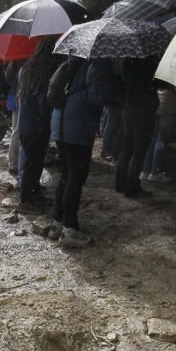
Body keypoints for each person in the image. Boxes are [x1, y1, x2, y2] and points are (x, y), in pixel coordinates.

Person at [48, 56, 118, 246]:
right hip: (78, 125)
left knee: (65, 174)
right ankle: (70, 228)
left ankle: (57, 223)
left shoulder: (72, 61)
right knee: (75, 177)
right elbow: (99, 97)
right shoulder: (99, 64)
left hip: (60, 122)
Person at [15, 39, 60, 211]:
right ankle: (27, 198)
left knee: (31, 163)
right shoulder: (45, 73)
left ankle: (33, 194)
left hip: (25, 124)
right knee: (34, 163)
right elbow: (43, 102)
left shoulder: (26, 69)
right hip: (37, 126)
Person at [114, 57, 159, 198]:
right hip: (143, 111)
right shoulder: (148, 64)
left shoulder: (126, 64)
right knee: (139, 151)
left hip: (128, 109)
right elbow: (156, 83)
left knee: (126, 149)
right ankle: (132, 188)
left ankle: (120, 183)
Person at [141, 84, 176, 183]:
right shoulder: (174, 83)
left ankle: (146, 170)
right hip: (169, 108)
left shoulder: (161, 77)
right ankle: (156, 172)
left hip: (159, 105)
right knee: (161, 142)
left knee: (155, 141)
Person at [5, 60, 24, 180]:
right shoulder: (20, 61)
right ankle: (14, 163)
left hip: (14, 96)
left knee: (16, 131)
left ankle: (13, 163)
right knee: (17, 132)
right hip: (18, 97)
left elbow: (8, 77)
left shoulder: (12, 60)